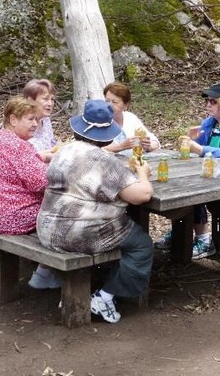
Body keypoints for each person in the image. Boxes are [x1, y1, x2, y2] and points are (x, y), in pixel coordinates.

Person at [37, 100, 154, 324]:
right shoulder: (105, 161)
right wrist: (143, 174)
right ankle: (104, 297)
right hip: (78, 235)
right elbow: (142, 195)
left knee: (122, 230)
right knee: (142, 245)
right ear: (108, 135)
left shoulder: (64, 151)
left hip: (47, 228)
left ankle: (99, 282)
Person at [0, 96, 60, 291]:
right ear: (13, 119)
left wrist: (41, 158)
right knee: (61, 210)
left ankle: (13, 273)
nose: (35, 124)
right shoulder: (19, 146)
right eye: (30, 119)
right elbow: (42, 182)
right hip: (4, 217)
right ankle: (45, 272)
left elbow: (13, 168)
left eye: (36, 120)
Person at [153, 81, 220, 259]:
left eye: (213, 101)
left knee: (194, 190)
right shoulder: (210, 122)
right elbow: (199, 151)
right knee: (183, 184)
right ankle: (180, 232)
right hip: (211, 173)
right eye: (207, 101)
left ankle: (204, 240)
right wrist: (192, 140)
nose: (208, 105)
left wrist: (199, 149)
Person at [102, 81, 160, 155]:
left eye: (115, 102)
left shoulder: (130, 118)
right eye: (107, 101)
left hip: (132, 160)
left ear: (126, 105)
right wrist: (121, 146)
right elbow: (94, 149)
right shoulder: (98, 121)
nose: (109, 105)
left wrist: (149, 146)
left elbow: (155, 142)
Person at [23, 79, 58, 159]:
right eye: (45, 99)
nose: (50, 104)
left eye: (52, 99)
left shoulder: (45, 120)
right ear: (31, 100)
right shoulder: (21, 123)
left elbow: (51, 145)